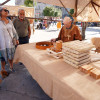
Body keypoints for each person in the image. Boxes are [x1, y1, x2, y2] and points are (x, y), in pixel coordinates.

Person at [0, 7, 19, 73]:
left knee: (11, 56)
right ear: (0, 12)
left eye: (7, 10)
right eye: (4, 10)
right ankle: (3, 69)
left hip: (10, 43)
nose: (6, 11)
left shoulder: (10, 21)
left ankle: (11, 67)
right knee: (2, 58)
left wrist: (16, 39)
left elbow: (14, 31)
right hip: (2, 43)